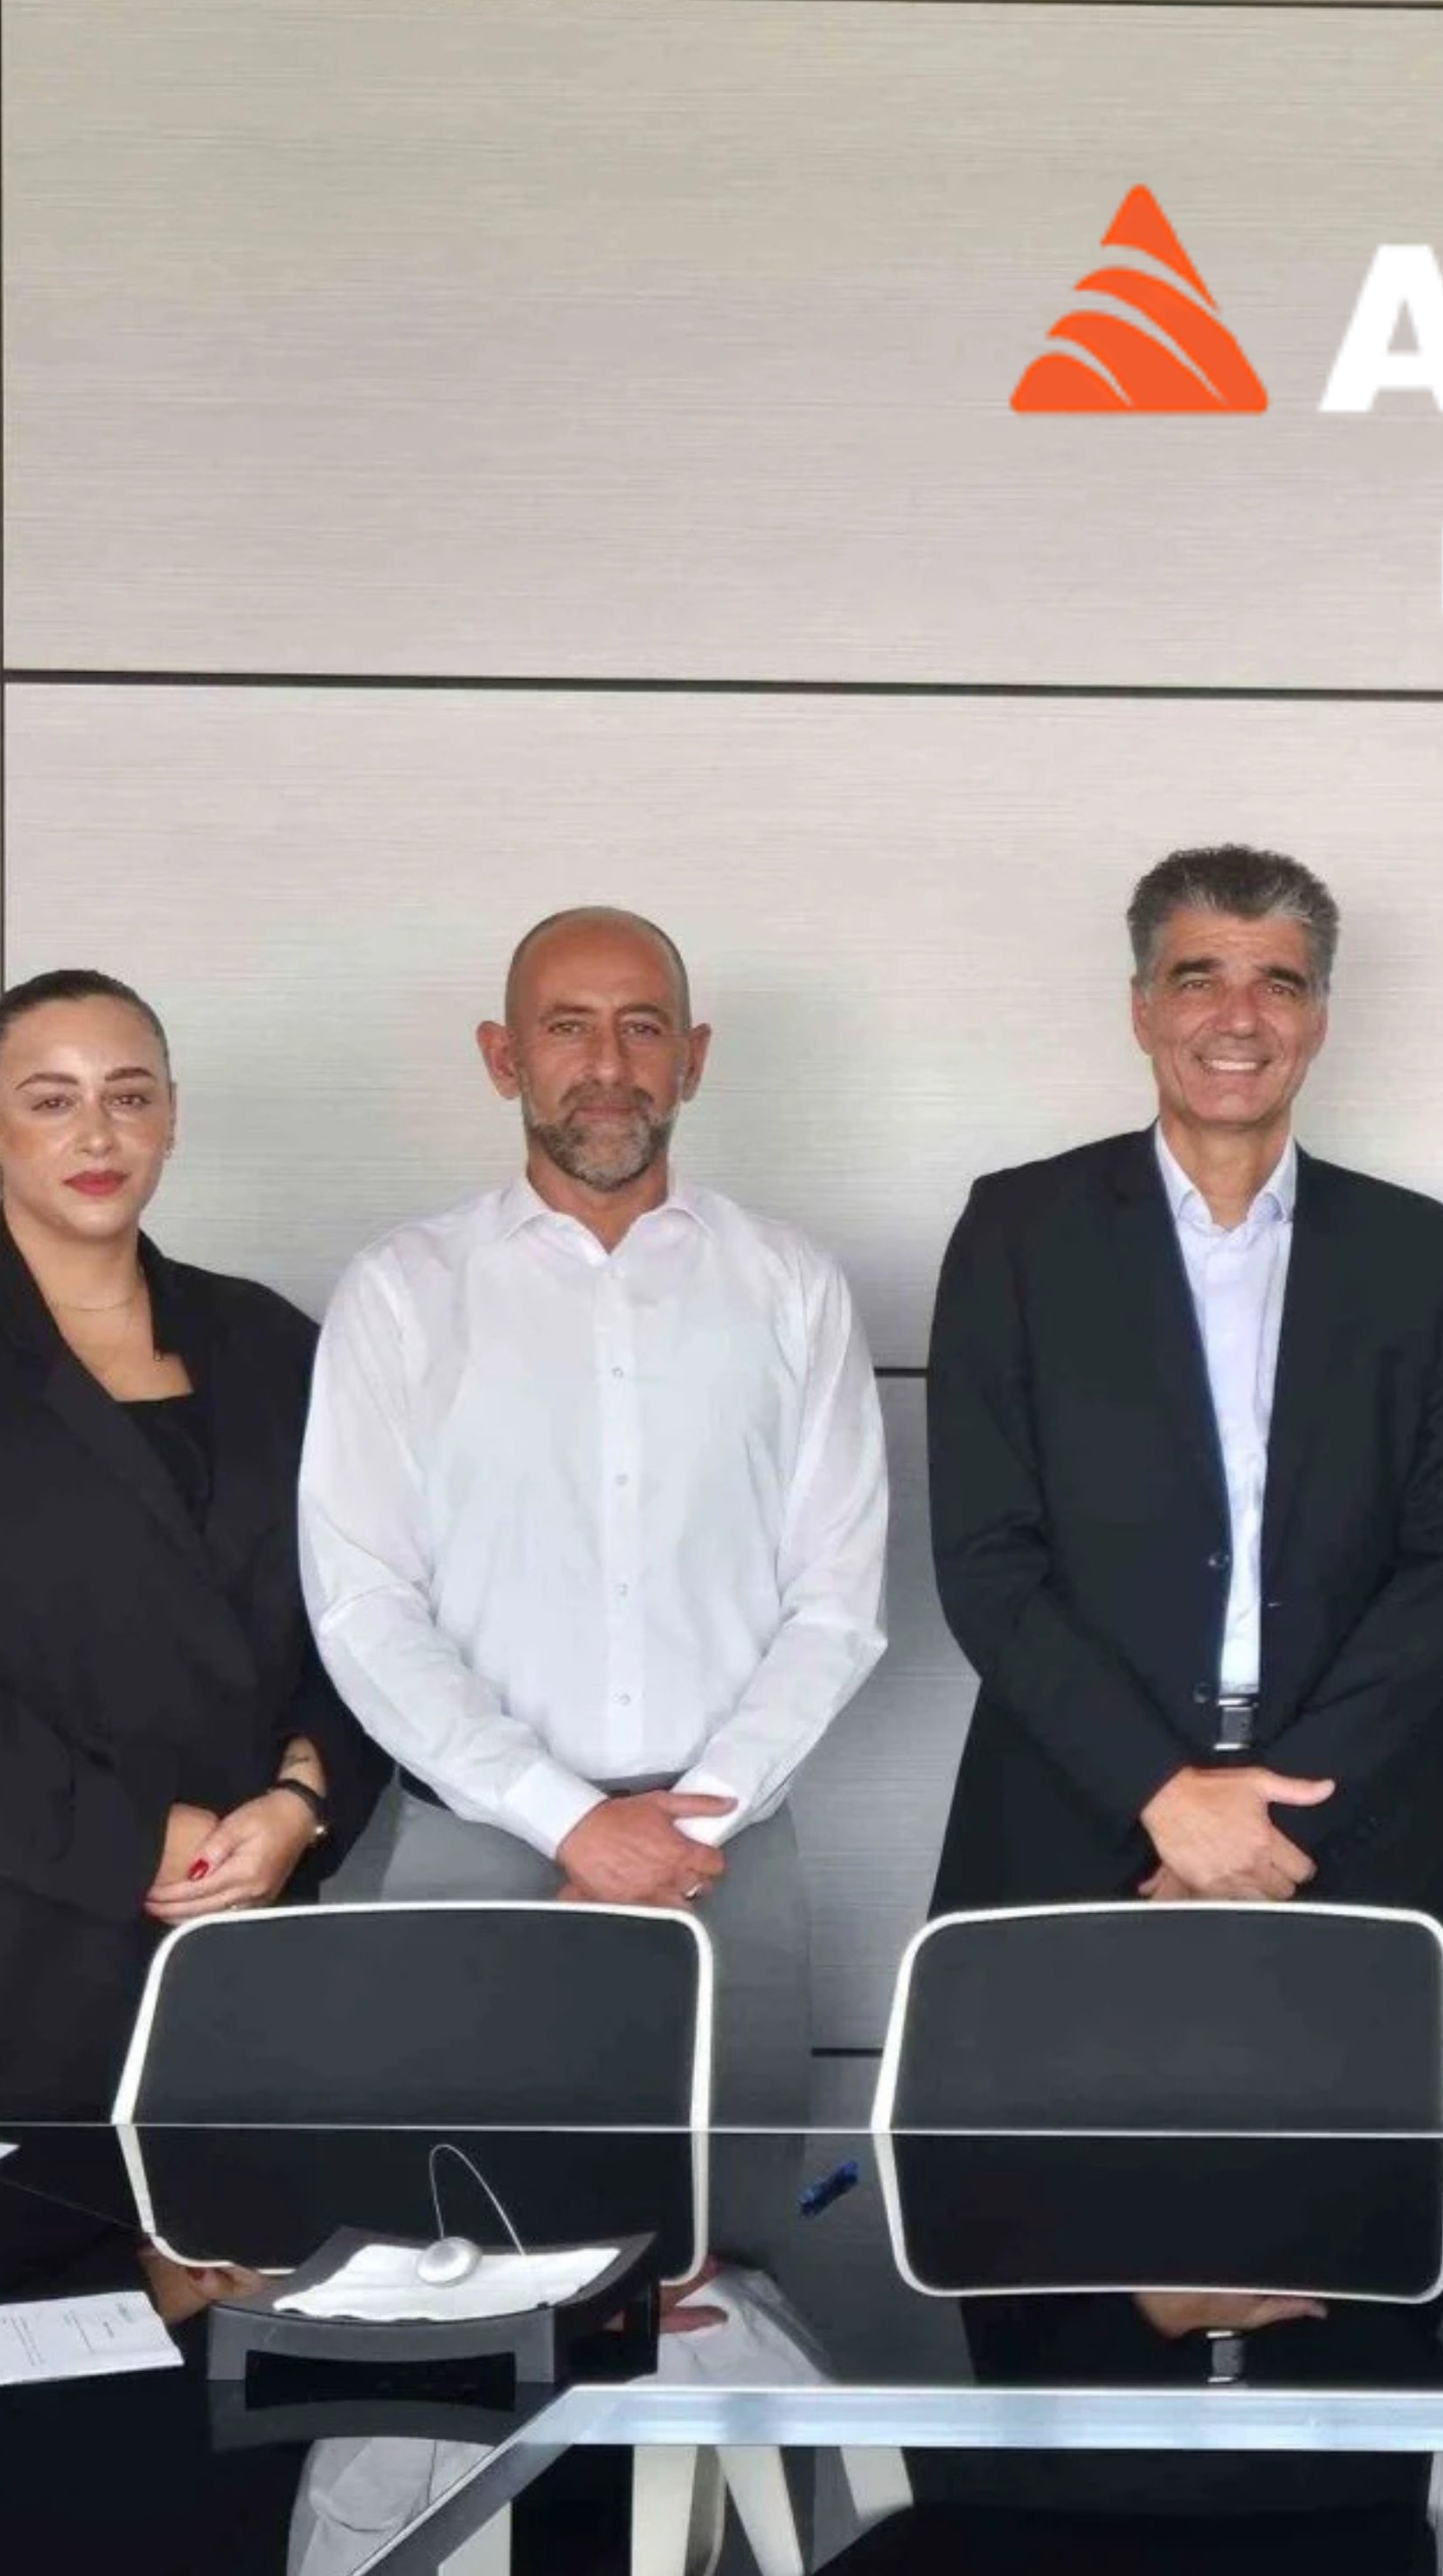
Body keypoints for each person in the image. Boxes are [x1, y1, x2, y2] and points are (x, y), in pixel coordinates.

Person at [0, 968, 387, 2574]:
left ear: (170, 1115)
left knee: (188, 2482)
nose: (95, 1131)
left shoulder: (276, 1347)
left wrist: (303, 1803)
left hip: (225, 1983)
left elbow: (375, 1618)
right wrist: (147, 1837)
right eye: (51, 1097)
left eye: (129, 1092)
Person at [297, 906, 889, 2156]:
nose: (609, 1064)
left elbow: (837, 1598)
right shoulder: (402, 1291)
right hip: (474, 1845)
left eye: (644, 1027)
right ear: (502, 1056)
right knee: (465, 2233)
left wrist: (685, 1831)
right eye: (567, 1028)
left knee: (732, 2236)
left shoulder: (792, 1285)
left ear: (695, 1057)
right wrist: (568, 1820)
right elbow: (363, 1603)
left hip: (728, 1858)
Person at [922, 844, 1443, 1934]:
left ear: (1318, 1018)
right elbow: (986, 1558)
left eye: (1277, 984)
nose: (1239, 1018)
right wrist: (1164, 1795)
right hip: (1070, 1817)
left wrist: (1263, 1822)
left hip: (1351, 1828)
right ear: (1143, 1009)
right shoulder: (1017, 1235)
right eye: (1198, 978)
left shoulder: (1429, 1260)